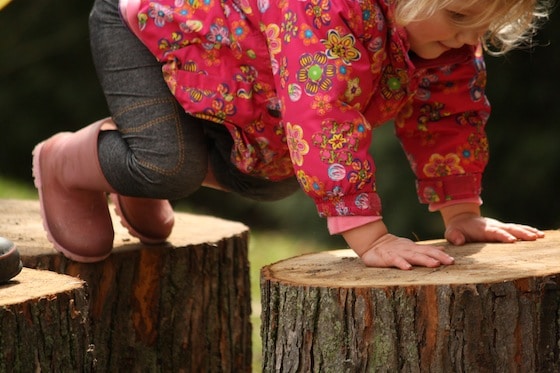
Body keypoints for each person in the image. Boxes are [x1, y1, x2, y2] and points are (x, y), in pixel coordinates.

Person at [33, 0, 548, 269]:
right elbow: (324, 117)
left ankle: (145, 162)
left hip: (229, 77)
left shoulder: (445, 38)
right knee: (170, 165)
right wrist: (369, 237)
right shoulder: (330, 8)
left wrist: (462, 213)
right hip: (147, 28)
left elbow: (448, 115)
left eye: (483, 27)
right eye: (459, 17)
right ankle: (66, 162)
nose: (467, 37)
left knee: (273, 177)